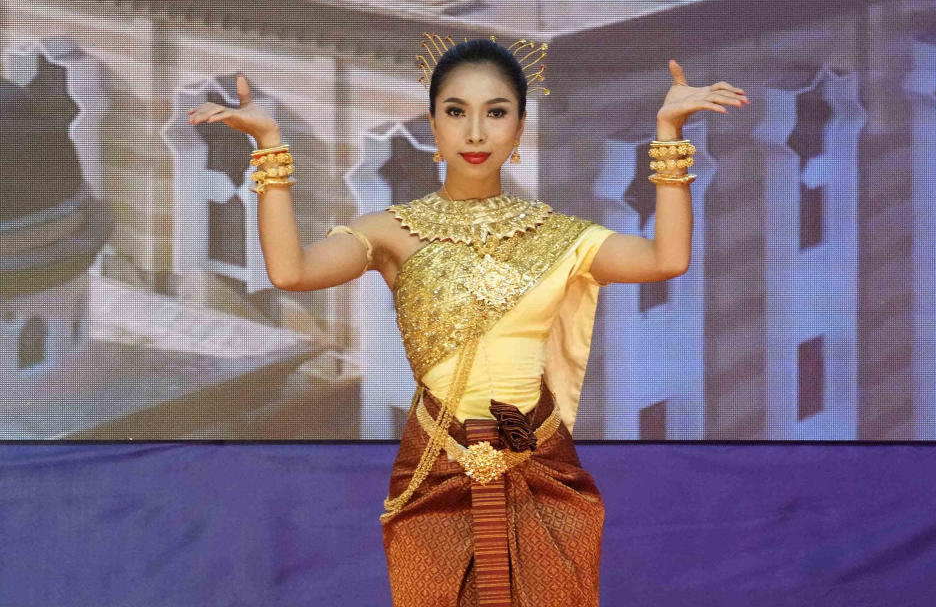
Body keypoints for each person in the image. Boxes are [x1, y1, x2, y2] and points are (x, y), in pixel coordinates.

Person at [187, 33, 747, 606]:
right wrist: (269, 146)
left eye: (496, 113)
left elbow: (666, 258)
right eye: (456, 112)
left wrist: (669, 136)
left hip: (540, 464)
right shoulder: (392, 231)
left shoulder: (560, 237)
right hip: (436, 466)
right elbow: (292, 272)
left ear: (520, 127)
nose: (475, 133)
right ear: (433, 123)